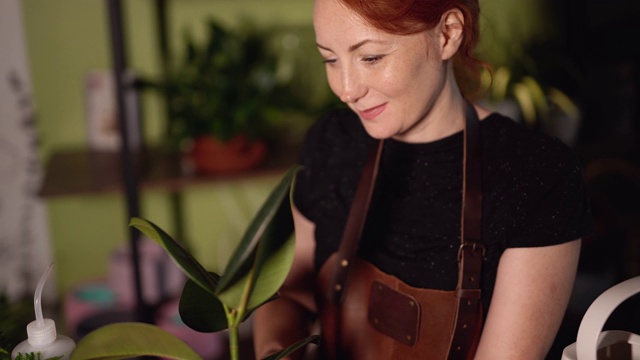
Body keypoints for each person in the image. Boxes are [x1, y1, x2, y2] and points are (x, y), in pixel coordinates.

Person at [253, 0, 592, 358]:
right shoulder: (332, 141)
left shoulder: (536, 173)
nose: (347, 89)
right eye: (330, 59)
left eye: (371, 57)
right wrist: (277, 349)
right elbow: (290, 291)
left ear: (447, 34)